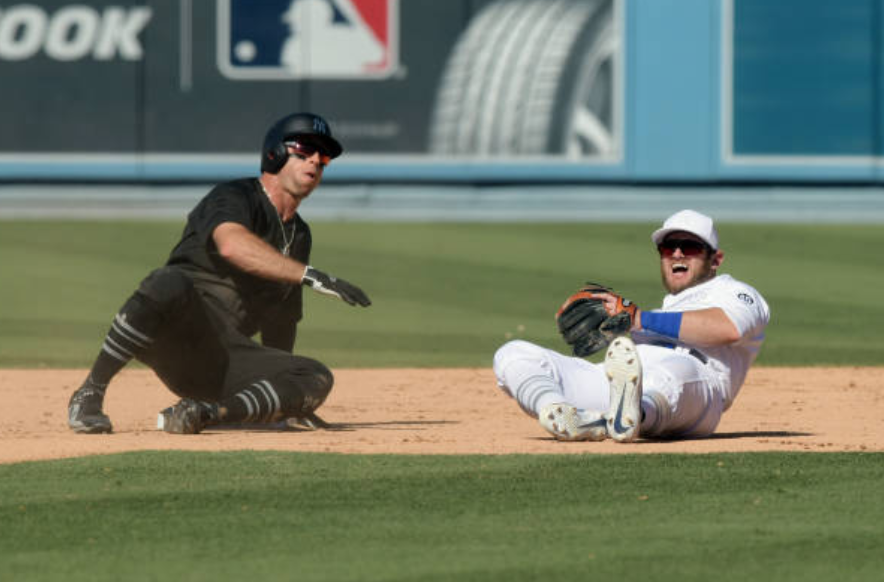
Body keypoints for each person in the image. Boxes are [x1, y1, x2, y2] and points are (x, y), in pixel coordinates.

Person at [67, 112, 371, 435]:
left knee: (316, 376)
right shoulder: (234, 196)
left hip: (224, 362)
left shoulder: (299, 235)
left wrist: (291, 398)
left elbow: (281, 321)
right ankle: (90, 392)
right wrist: (309, 274)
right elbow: (231, 245)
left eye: (323, 157)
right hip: (173, 331)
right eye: (303, 150)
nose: (315, 161)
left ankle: (205, 414)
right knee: (167, 281)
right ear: (275, 153)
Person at [492, 209, 770, 442]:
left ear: (716, 260)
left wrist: (638, 319)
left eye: (690, 247)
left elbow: (728, 328)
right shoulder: (662, 312)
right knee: (513, 353)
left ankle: (635, 415)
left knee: (674, 371)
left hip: (699, 392)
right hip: (622, 388)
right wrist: (616, 328)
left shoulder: (735, 293)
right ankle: (566, 414)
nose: (676, 254)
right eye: (667, 247)